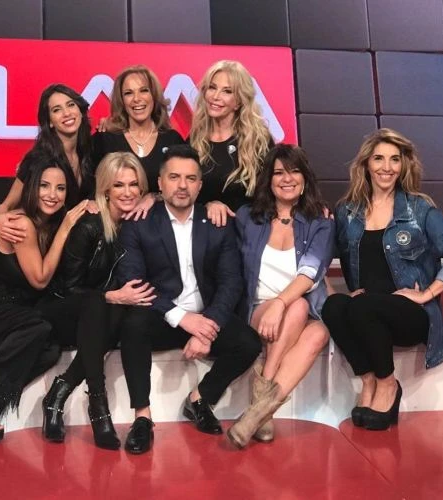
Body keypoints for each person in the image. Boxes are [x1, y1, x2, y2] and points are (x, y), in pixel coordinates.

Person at [116, 144, 261, 454]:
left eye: (190, 178)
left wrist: (207, 325)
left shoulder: (217, 222)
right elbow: (134, 281)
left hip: (205, 315)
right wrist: (183, 318)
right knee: (133, 325)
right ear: (160, 183)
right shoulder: (139, 222)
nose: (182, 185)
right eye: (174, 177)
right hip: (163, 316)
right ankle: (142, 417)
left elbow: (231, 281)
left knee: (248, 343)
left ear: (199, 184)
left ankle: (200, 398)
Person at [0, 156, 88, 443]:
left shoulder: (45, 224)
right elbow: (40, 279)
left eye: (60, 188)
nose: (52, 194)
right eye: (44, 186)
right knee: (39, 327)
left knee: (50, 348)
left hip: (4, 316)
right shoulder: (21, 223)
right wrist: (66, 227)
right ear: (32, 187)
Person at [321, 128, 443, 431]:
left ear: (404, 165)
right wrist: (331, 289)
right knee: (334, 306)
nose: (386, 167)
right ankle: (368, 380)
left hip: (411, 314)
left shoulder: (420, 209)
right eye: (378, 158)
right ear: (366, 164)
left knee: (364, 306)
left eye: (394, 159)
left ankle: (388, 384)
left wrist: (427, 293)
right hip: (365, 310)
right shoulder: (346, 211)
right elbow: (318, 257)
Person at [39, 152, 155, 450]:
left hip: (101, 317)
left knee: (116, 312)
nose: (127, 192)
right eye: (119, 185)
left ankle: (58, 393)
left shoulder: (136, 224)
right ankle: (97, 403)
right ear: (105, 190)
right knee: (101, 304)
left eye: (134, 185)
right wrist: (110, 296)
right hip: (62, 310)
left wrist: (154, 197)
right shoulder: (89, 225)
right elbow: (69, 288)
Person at [226, 144, 334, 448]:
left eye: (294, 171)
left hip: (301, 307)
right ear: (269, 180)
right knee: (296, 306)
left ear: (305, 178)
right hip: (258, 307)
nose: (287, 179)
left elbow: (310, 272)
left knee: (316, 331)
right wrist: (275, 305)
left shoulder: (320, 222)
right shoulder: (248, 217)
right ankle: (262, 403)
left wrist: (280, 303)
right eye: (278, 173)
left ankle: (259, 409)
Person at [0, 84, 95, 244]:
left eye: (70, 105)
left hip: (72, 243)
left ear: (81, 111)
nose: (67, 113)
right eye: (57, 110)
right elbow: (7, 205)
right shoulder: (39, 158)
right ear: (50, 122)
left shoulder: (90, 151)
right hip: (37, 244)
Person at [93, 65, 185, 217]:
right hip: (115, 225)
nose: (137, 99)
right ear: (121, 100)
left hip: (161, 224)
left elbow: (184, 188)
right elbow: (92, 188)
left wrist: (154, 197)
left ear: (154, 96)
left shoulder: (172, 140)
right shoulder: (105, 139)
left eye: (144, 90)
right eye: (128, 93)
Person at [190, 60, 273, 226]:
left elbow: (276, 190)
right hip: (205, 231)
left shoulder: (258, 141)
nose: (215, 96)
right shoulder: (194, 141)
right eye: (212, 87)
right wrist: (207, 205)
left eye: (227, 91)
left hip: (248, 230)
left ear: (239, 101)